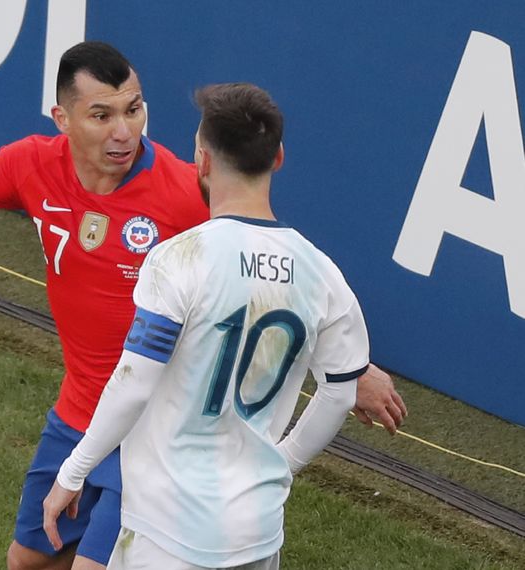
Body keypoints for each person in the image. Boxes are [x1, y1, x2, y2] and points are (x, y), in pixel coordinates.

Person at [0, 43, 406, 570]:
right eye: (101, 115)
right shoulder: (30, 165)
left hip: (149, 435)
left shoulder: (186, 191)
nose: (124, 131)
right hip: (77, 414)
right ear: (62, 117)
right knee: (28, 560)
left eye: (134, 109)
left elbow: (263, 280)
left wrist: (353, 368)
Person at [44, 82, 371, 569]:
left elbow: (133, 384)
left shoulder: (179, 259)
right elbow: (340, 394)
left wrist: (73, 472)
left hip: (168, 530)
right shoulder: (323, 273)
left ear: (202, 160)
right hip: (257, 531)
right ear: (278, 157)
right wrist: (282, 465)